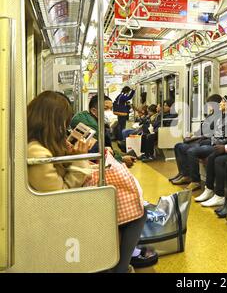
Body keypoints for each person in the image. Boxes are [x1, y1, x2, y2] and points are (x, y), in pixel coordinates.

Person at [27, 91, 152, 273]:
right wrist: (79, 157)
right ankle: (120, 267)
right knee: (138, 210)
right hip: (56, 216)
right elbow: (60, 195)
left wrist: (72, 156)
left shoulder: (43, 144)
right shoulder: (36, 152)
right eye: (63, 121)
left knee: (126, 205)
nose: (65, 127)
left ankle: (118, 261)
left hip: (61, 208)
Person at [170, 94, 222, 189]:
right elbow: (202, 130)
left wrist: (200, 137)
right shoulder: (210, 116)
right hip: (202, 140)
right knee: (179, 146)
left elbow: (214, 134)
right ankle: (185, 174)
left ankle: (195, 180)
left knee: (191, 151)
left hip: (209, 142)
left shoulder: (220, 117)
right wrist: (193, 134)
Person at [71, 95, 136, 168]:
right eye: (106, 108)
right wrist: (120, 159)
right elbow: (95, 153)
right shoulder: (90, 127)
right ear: (93, 111)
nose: (110, 112)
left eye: (111, 108)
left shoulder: (98, 124)